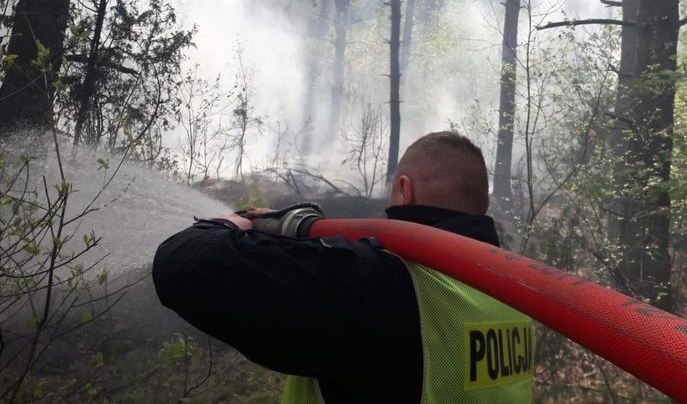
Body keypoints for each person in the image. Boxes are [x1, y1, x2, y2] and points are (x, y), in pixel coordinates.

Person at [153, 131, 534, 403]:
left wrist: (224, 226)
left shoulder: (390, 287)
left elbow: (184, 265)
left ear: (405, 189)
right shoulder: (511, 295)